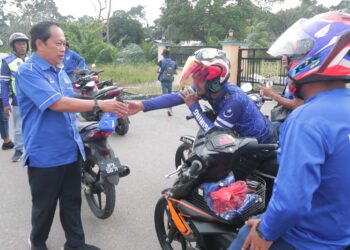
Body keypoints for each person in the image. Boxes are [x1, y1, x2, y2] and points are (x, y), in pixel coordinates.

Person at [228, 11, 350, 250]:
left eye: (295, 56)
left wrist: (264, 232)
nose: (290, 63)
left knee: (246, 235)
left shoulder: (306, 119)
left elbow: (290, 202)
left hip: (307, 238)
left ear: (316, 58)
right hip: (342, 232)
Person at [16, 21, 128, 250]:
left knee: (72, 202)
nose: (63, 48)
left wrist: (105, 104)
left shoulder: (61, 73)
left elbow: (74, 101)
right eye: (58, 43)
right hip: (45, 154)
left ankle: (75, 245)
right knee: (44, 207)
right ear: (40, 43)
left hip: (70, 149)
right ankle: (38, 244)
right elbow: (57, 103)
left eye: (64, 44)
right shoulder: (28, 71)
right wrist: (99, 104)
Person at [129, 48, 275, 179]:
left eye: (199, 79)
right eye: (195, 77)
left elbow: (215, 135)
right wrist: (142, 105)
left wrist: (194, 107)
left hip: (259, 146)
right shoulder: (209, 89)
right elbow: (176, 97)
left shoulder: (233, 101)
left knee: (226, 182)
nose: (194, 82)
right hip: (240, 136)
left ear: (215, 81)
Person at [1, 32, 30, 161]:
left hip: (37, 100)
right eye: (19, 43)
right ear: (13, 46)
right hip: (19, 101)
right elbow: (4, 84)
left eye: (24, 43)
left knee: (37, 125)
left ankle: (34, 149)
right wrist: (6, 103)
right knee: (19, 128)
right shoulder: (7, 62)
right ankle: (18, 150)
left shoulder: (34, 58)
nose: (22, 46)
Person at [157, 49, 177, 116]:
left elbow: (157, 70)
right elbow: (176, 73)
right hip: (170, 80)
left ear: (164, 55)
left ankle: (168, 109)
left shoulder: (161, 62)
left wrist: (161, 72)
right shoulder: (174, 63)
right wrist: (170, 72)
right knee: (170, 94)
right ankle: (170, 109)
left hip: (163, 80)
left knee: (165, 95)